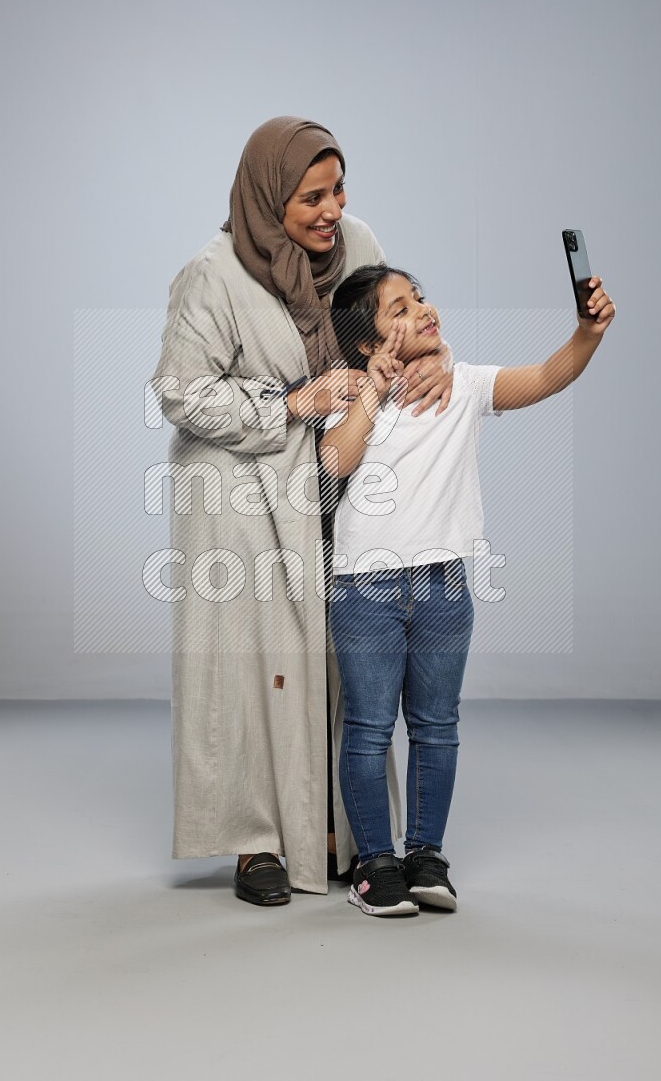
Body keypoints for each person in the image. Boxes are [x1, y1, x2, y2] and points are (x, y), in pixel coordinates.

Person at [151, 117, 454, 904]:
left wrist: (438, 353)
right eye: (309, 196)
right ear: (266, 195)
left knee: (336, 653)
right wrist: (294, 401)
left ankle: (336, 830)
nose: (330, 209)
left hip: (337, 476)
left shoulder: (355, 242)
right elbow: (181, 393)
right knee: (251, 664)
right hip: (239, 486)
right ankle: (256, 844)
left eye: (337, 189)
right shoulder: (212, 274)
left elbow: (396, 316)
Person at [320, 262, 616, 916]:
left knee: (436, 725)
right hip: (364, 584)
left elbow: (544, 377)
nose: (422, 309)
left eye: (420, 297)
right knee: (368, 728)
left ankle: (425, 855)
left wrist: (587, 334)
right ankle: (375, 863)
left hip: (444, 584)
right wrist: (373, 389)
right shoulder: (352, 395)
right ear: (368, 343)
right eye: (398, 308)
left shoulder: (463, 385)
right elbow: (335, 461)